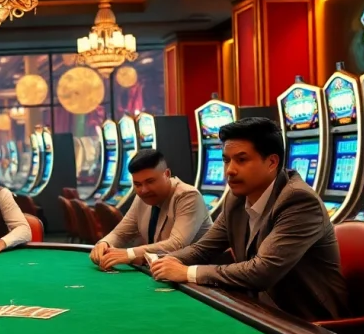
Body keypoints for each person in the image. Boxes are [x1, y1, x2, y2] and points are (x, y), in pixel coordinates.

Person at [150, 117, 350, 321]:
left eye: (241, 160)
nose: (230, 170)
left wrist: (187, 273)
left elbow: (262, 272)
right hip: (259, 308)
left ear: (272, 162)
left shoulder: (299, 200)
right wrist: (166, 261)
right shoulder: (236, 198)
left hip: (308, 321)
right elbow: (204, 249)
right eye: (226, 160)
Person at [90, 150, 211, 271]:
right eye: (137, 184)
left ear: (167, 174)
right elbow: (120, 233)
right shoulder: (141, 197)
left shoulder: (188, 196)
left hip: (196, 277)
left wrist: (130, 254)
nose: (144, 190)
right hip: (162, 271)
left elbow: (176, 245)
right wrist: (104, 243)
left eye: (150, 181)